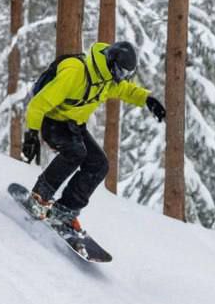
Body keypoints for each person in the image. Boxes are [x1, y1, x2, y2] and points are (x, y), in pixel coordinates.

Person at [22, 40, 166, 232]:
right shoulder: (75, 73)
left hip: (74, 125)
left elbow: (125, 89)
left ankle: (64, 211)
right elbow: (38, 104)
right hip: (52, 121)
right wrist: (31, 134)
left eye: (126, 74)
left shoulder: (106, 80)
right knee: (75, 153)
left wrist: (147, 99)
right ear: (112, 63)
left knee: (99, 165)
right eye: (121, 72)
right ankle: (39, 197)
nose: (122, 78)